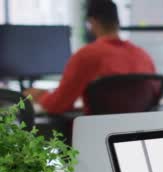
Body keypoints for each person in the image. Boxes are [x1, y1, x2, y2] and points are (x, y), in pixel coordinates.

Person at [24, 0, 155, 114]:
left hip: (95, 133)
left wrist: (40, 95)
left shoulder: (87, 55)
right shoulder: (143, 55)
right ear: (118, 22)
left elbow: (58, 105)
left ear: (92, 23)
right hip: (132, 135)